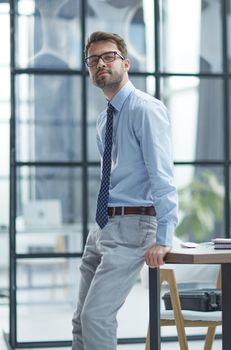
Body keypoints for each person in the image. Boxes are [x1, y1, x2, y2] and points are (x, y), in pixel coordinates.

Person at [72, 31, 178, 350]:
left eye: (108, 57)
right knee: (81, 320)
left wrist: (164, 236)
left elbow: (162, 175)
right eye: (93, 60)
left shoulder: (145, 109)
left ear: (126, 63)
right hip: (103, 225)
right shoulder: (104, 120)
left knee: (96, 318)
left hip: (133, 226)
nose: (100, 63)